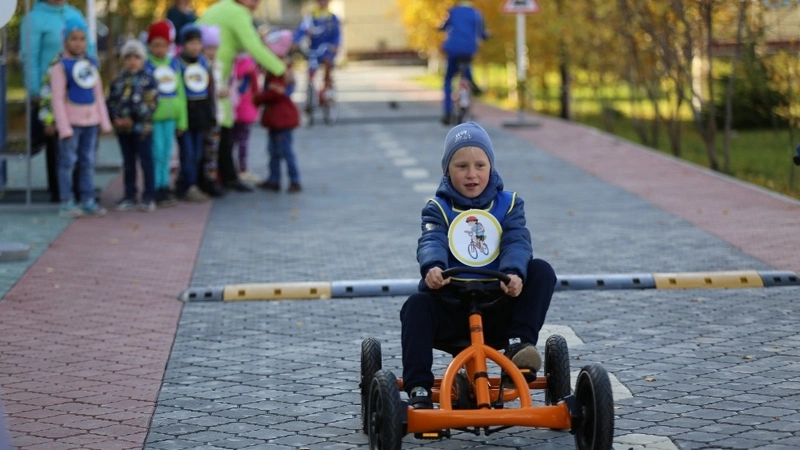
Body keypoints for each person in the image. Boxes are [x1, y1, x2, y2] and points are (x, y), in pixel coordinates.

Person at [400, 122, 556, 409]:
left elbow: (517, 240)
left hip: (498, 305)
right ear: (447, 170)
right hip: (453, 308)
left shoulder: (509, 204)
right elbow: (432, 239)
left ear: (491, 167)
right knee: (415, 306)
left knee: (541, 271)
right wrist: (433, 267)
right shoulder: (438, 208)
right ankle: (419, 387)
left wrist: (514, 273)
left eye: (480, 165)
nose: (472, 174)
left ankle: (519, 347)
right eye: (461, 166)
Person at [196, 0, 288, 193]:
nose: (256, 3)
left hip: (209, 75)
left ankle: (225, 175)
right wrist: (281, 69)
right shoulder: (237, 12)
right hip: (215, 75)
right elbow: (253, 46)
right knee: (220, 125)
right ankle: (220, 178)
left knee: (222, 124)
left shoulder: (221, 7)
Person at [20, 0, 97, 203]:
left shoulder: (74, 13)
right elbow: (29, 56)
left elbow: (89, 48)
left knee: (83, 144)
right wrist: (35, 90)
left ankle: (83, 189)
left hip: (80, 91)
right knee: (59, 143)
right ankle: (61, 192)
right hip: (51, 92)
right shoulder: (33, 19)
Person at [40, 17, 112, 217]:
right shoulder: (59, 67)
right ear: (65, 41)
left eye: (82, 39)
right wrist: (64, 127)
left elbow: (98, 95)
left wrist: (104, 122)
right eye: (74, 39)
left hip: (91, 123)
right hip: (72, 125)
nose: (78, 43)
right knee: (67, 163)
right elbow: (57, 99)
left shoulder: (90, 64)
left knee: (88, 162)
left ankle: (87, 199)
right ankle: (67, 201)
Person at [106, 39, 160, 212]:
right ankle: (129, 194)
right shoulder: (118, 81)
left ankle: (149, 195)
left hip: (142, 129)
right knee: (128, 162)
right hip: (123, 130)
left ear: (142, 59)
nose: (132, 61)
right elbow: (111, 101)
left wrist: (134, 118)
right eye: (128, 58)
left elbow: (151, 103)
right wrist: (115, 118)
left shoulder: (148, 80)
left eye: (136, 57)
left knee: (146, 161)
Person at [146, 19, 188, 207]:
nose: (159, 49)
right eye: (155, 45)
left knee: (167, 153)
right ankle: (155, 186)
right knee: (156, 152)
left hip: (171, 117)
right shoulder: (147, 66)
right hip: (155, 117)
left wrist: (182, 121)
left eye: (163, 45)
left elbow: (181, 93)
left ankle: (164, 185)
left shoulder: (174, 65)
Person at [253, 30, 302, 193]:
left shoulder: (278, 68)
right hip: (276, 117)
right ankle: (274, 179)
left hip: (281, 117)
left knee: (284, 150)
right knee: (273, 150)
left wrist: (257, 98)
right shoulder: (280, 66)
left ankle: (294, 180)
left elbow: (275, 92)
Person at [175, 24, 215, 202]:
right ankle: (188, 186)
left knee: (198, 153)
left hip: (201, 113)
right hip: (185, 114)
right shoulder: (177, 64)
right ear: (183, 44)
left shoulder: (204, 62)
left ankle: (190, 183)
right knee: (187, 153)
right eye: (191, 43)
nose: (195, 47)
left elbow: (209, 90)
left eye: (198, 43)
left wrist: (210, 116)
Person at [439, 0, 488, 126]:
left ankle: (447, 112)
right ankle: (472, 83)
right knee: (466, 67)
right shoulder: (476, 14)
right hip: (469, 49)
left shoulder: (452, 12)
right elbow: (482, 33)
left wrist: (440, 27)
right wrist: (486, 36)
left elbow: (444, 25)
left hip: (453, 49)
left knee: (448, 79)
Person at [198, 23, 226, 198]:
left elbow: (218, 87)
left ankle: (211, 180)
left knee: (212, 151)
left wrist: (222, 92)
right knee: (201, 150)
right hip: (204, 115)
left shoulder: (218, 66)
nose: (212, 52)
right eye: (208, 48)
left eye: (214, 48)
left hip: (216, 114)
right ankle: (201, 181)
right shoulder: (200, 66)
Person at [293, 0, 340, 92]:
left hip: (327, 48)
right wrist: (295, 41)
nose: (323, 2)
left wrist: (336, 45)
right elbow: (302, 30)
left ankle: (327, 86)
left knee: (328, 62)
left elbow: (337, 34)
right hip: (314, 47)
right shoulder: (311, 17)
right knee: (312, 68)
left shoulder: (332, 18)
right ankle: (310, 91)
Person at [231, 53, 260, 178]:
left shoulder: (230, 62)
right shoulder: (251, 65)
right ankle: (243, 169)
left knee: (231, 141)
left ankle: (230, 168)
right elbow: (256, 88)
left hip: (232, 107)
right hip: (246, 107)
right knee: (243, 141)